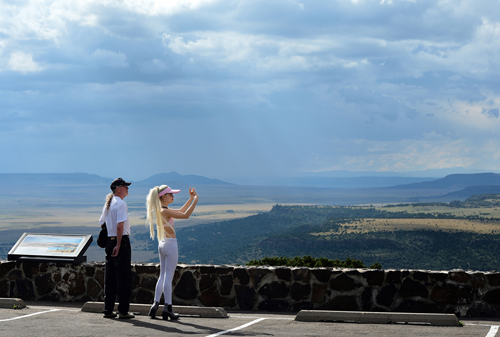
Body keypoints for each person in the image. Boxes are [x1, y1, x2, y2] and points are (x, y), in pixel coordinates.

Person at [145, 184, 199, 320]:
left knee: (162, 276)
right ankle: (168, 308)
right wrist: (196, 200)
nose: (173, 196)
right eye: (170, 194)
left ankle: (155, 305)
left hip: (162, 244)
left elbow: (181, 210)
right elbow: (185, 215)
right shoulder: (165, 212)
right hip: (170, 245)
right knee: (168, 277)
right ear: (163, 197)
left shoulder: (160, 210)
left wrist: (190, 198)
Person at [99, 177, 135, 319]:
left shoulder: (108, 204)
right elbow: (120, 226)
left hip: (109, 241)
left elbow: (102, 223)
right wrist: (119, 244)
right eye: (125, 186)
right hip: (121, 243)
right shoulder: (121, 204)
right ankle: (123, 311)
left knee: (111, 278)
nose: (127, 188)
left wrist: (113, 237)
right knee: (124, 278)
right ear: (117, 188)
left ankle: (108, 309)